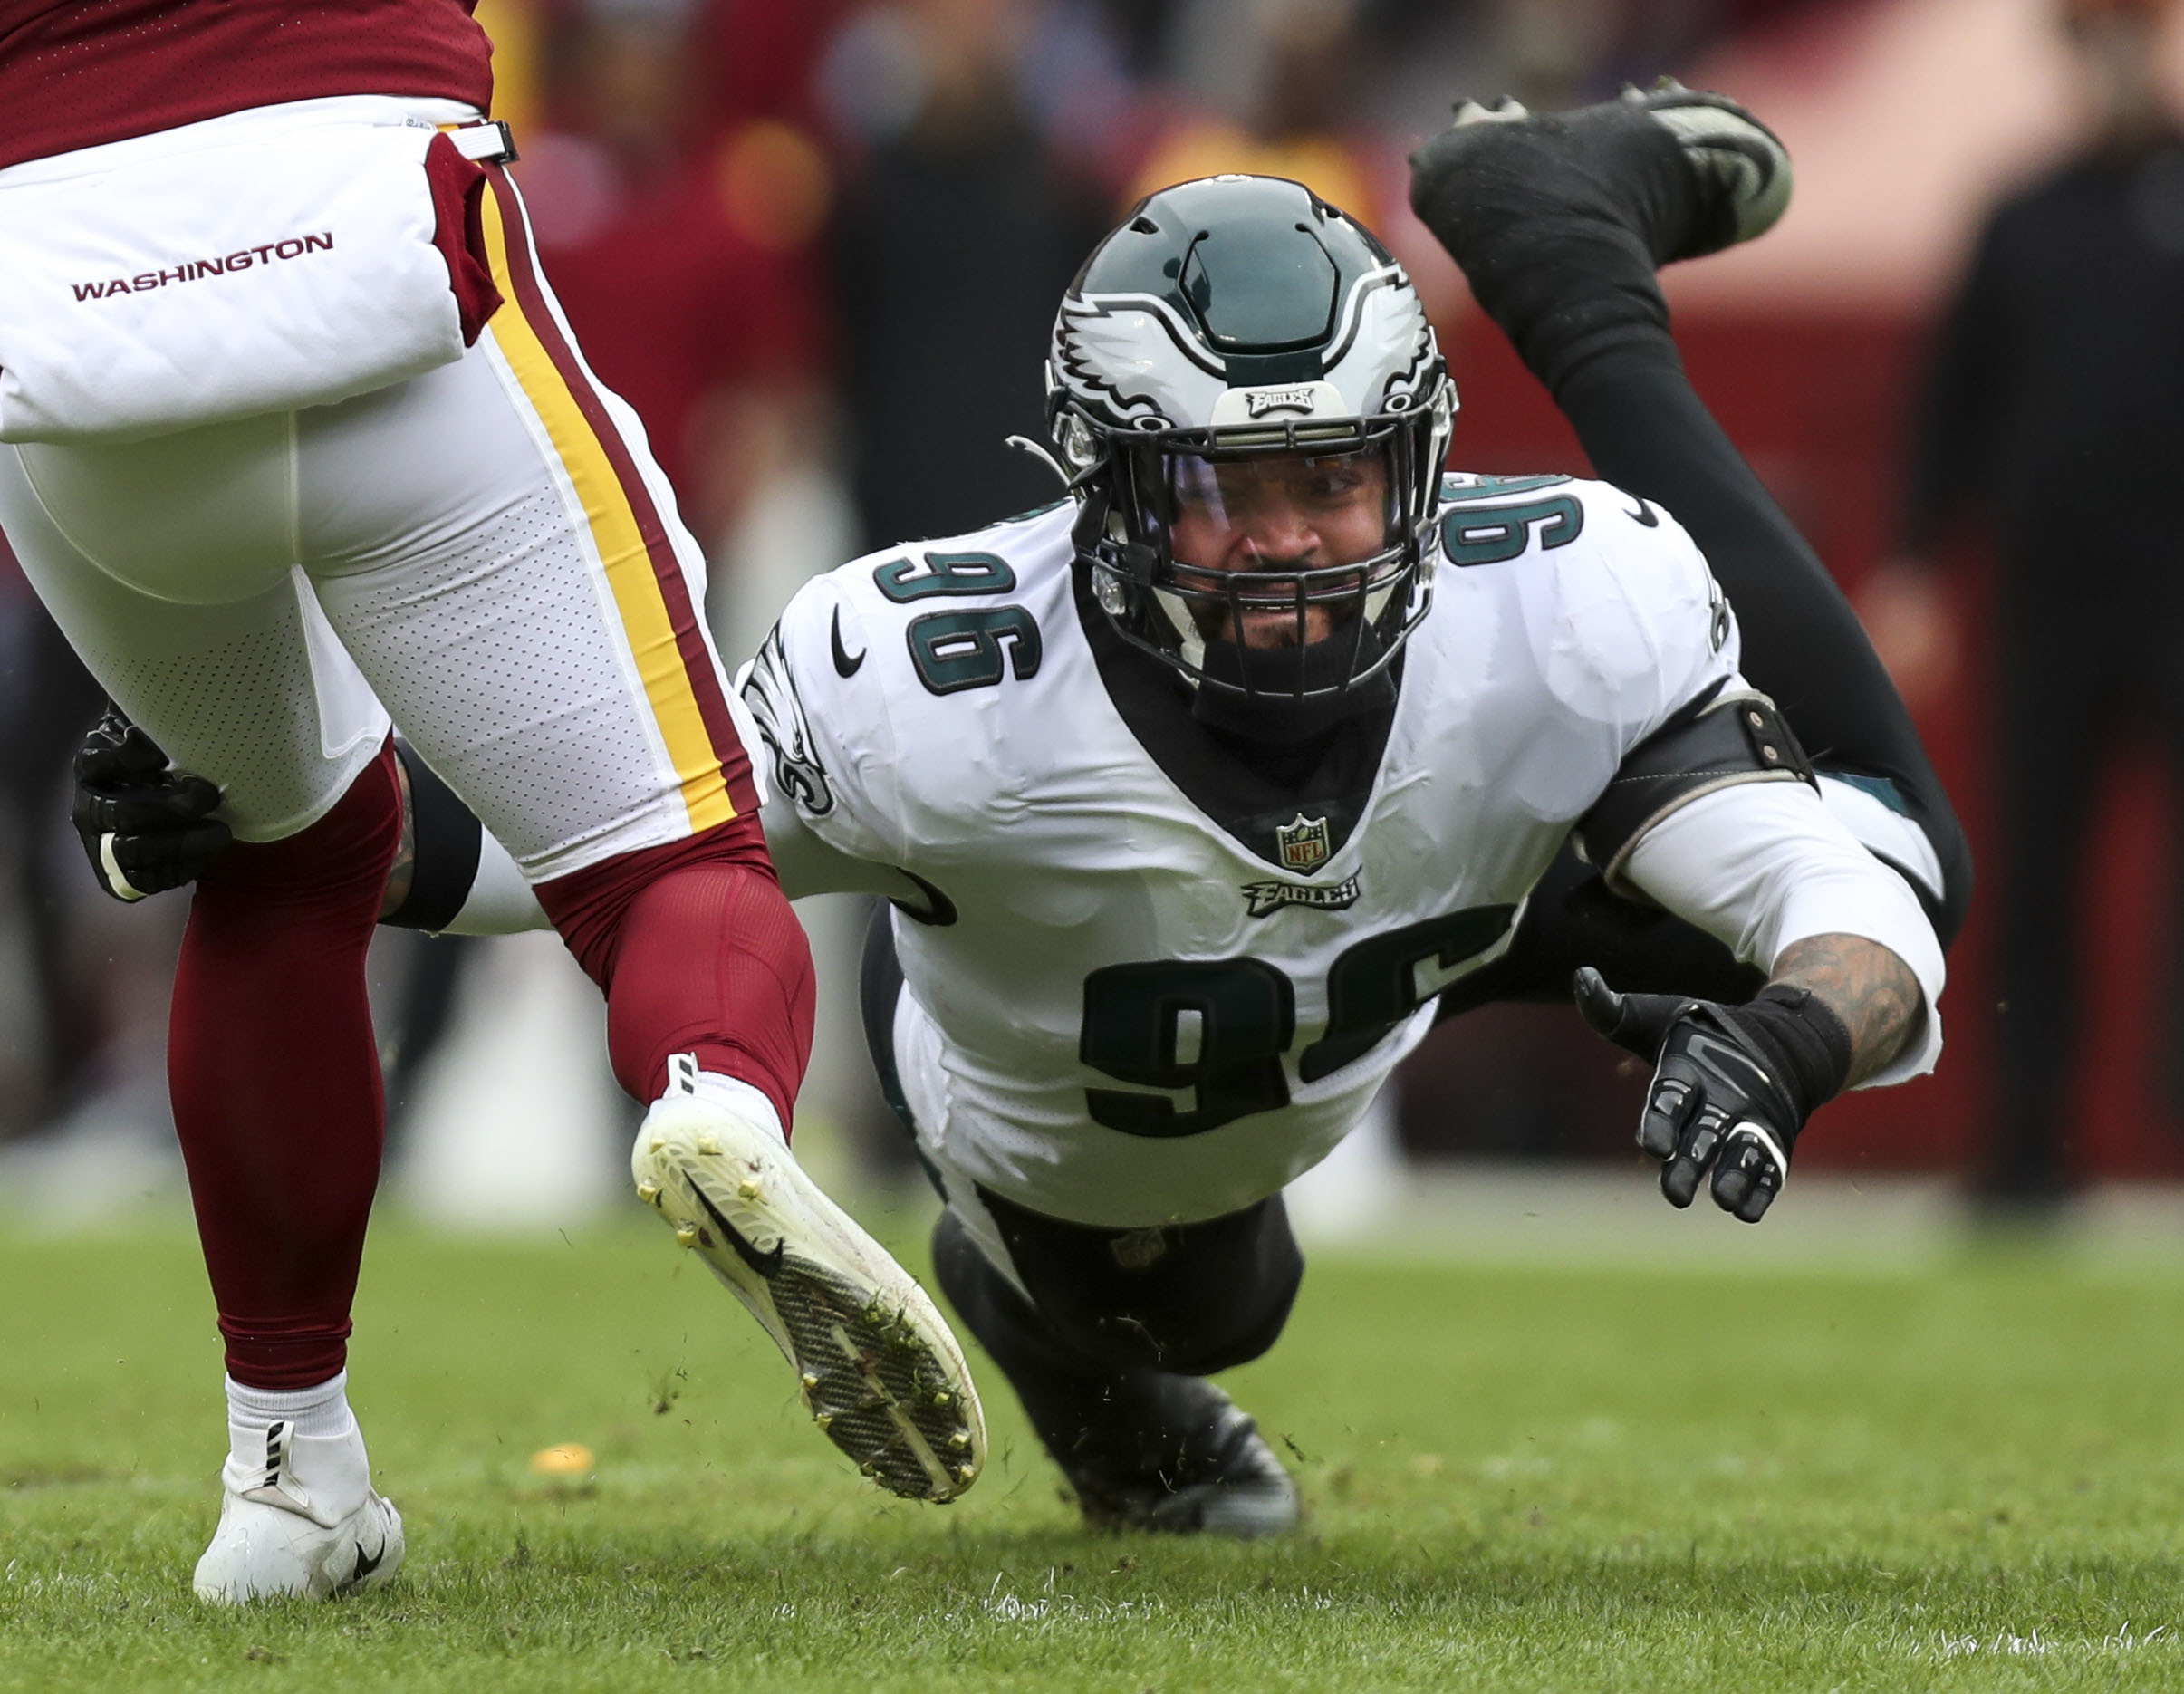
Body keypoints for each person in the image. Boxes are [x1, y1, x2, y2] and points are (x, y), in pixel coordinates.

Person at [79, 83, 1968, 1536]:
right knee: (1205, 1305)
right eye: (1236, 492)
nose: (1300, 543)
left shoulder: (1555, 610)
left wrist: (1792, 1038)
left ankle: (1559, 253)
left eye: (1340, 480)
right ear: (1112, 493)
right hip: (1101, 1081)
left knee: (1894, 838)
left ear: (1423, 466)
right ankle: (1048, 1326)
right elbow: (600, 841)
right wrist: (294, 801)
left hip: (1466, 890)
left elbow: (1848, 897)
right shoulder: (941, 688)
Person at [0, 0, 981, 1607]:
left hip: (60, 293)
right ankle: (715, 1098)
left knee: (274, 859)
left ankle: (286, 1476)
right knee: (672, 853)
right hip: (377, 220)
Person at [1871, 0, 2178, 1210]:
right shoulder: (2023, 216)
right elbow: (1951, 406)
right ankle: (2023, 1153)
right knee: (2031, 865)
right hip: (2048, 597)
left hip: (2178, 589)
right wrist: (1911, 567)